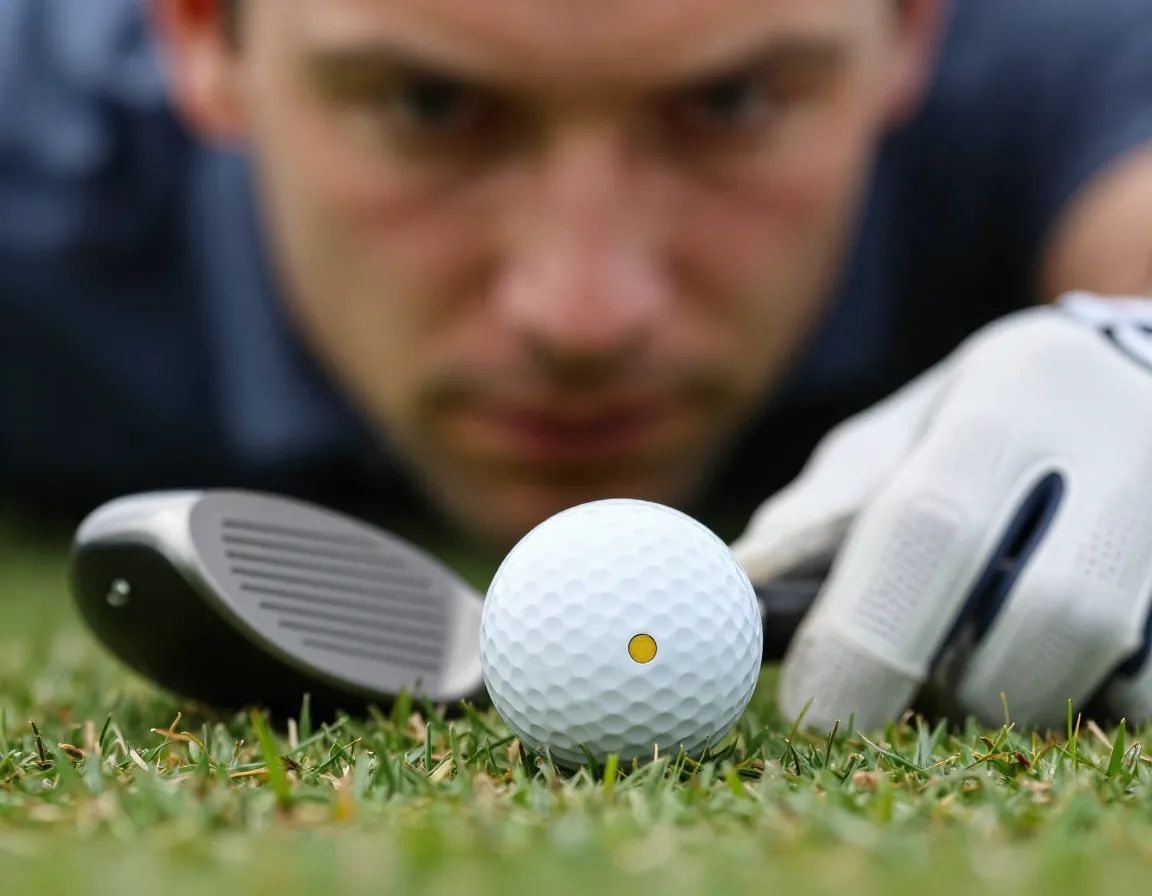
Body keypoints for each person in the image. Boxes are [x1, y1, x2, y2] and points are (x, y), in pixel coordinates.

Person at [5, 0, 1152, 732]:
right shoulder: (30, 169)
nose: (584, 318)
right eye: (430, 105)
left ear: (908, 26)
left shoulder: (1054, 58)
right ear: (206, 34)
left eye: (731, 103)